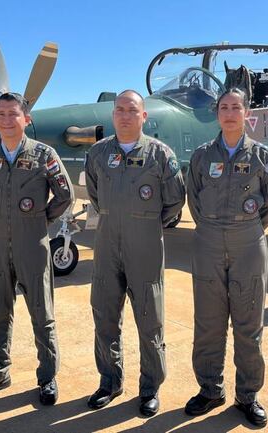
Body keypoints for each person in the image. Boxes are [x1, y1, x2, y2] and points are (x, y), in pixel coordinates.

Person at [84, 90, 185, 417]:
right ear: (113, 115)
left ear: (144, 116)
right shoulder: (98, 153)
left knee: (149, 320)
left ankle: (150, 387)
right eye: (120, 110)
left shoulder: (160, 154)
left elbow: (175, 201)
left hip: (145, 248)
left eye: (132, 110)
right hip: (106, 246)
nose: (125, 116)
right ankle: (109, 381)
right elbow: (95, 195)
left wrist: (145, 223)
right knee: (104, 316)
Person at [183, 87, 268, 427]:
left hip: (248, 243)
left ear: (246, 113)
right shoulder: (201, 156)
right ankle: (210, 389)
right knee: (208, 323)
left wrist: (247, 228)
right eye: (224, 107)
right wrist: (214, 228)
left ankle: (247, 395)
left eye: (236, 107)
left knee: (248, 324)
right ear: (217, 113)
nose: (229, 113)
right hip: (208, 241)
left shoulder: (261, 156)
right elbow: (193, 199)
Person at [0, 92, 73, 406]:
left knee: (42, 312)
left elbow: (64, 195)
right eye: (0, 114)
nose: (6, 120)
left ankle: (48, 376)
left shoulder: (44, 154)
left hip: (33, 244)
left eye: (13, 114)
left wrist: (38, 220)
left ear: (26, 119)